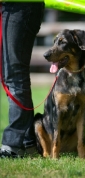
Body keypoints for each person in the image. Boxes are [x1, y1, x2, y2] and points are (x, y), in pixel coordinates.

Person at [0, 2, 45, 158]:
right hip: (8, 7)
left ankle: (13, 144)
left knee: (14, 74)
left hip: (21, 6)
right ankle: (28, 143)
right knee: (8, 74)